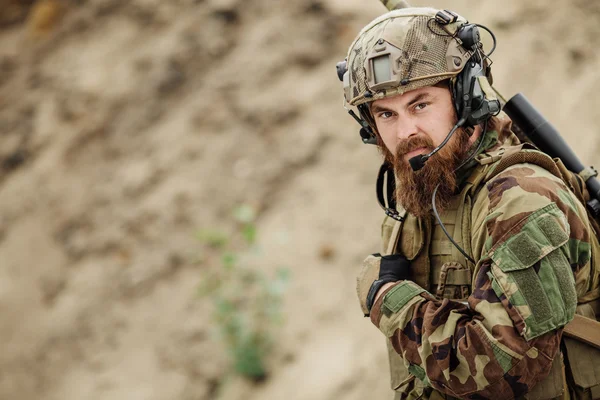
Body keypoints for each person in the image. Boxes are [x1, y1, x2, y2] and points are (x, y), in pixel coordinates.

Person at [338, 4, 600, 400]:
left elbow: (502, 366)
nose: (406, 131)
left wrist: (389, 301)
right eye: (385, 114)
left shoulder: (520, 200)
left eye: (420, 104)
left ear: (464, 98)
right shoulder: (425, 190)